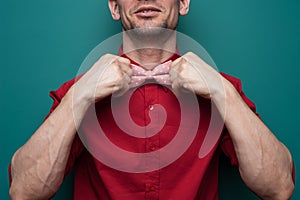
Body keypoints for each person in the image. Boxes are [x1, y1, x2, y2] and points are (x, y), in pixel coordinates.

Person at [9, 0, 295, 199]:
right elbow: (24, 191)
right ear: (114, 7)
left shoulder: (221, 89)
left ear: (183, 3)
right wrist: (80, 96)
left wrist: (223, 93)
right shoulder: (78, 91)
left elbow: (279, 188)